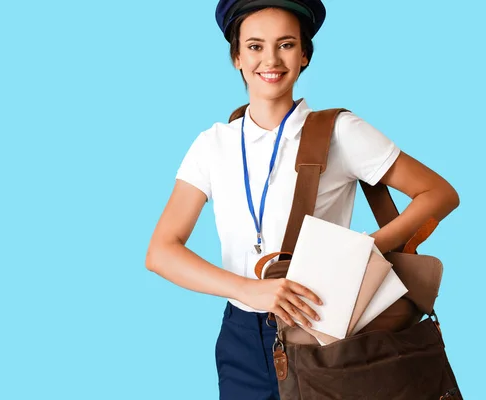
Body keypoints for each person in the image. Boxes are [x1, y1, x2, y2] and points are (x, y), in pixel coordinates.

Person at [145, 1, 460, 399]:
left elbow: (439, 194)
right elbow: (160, 252)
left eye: (286, 44)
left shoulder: (339, 131)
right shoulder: (212, 145)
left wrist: (364, 250)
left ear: (305, 54)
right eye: (256, 46)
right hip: (241, 336)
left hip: (323, 328)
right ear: (236, 57)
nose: (271, 59)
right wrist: (247, 290)